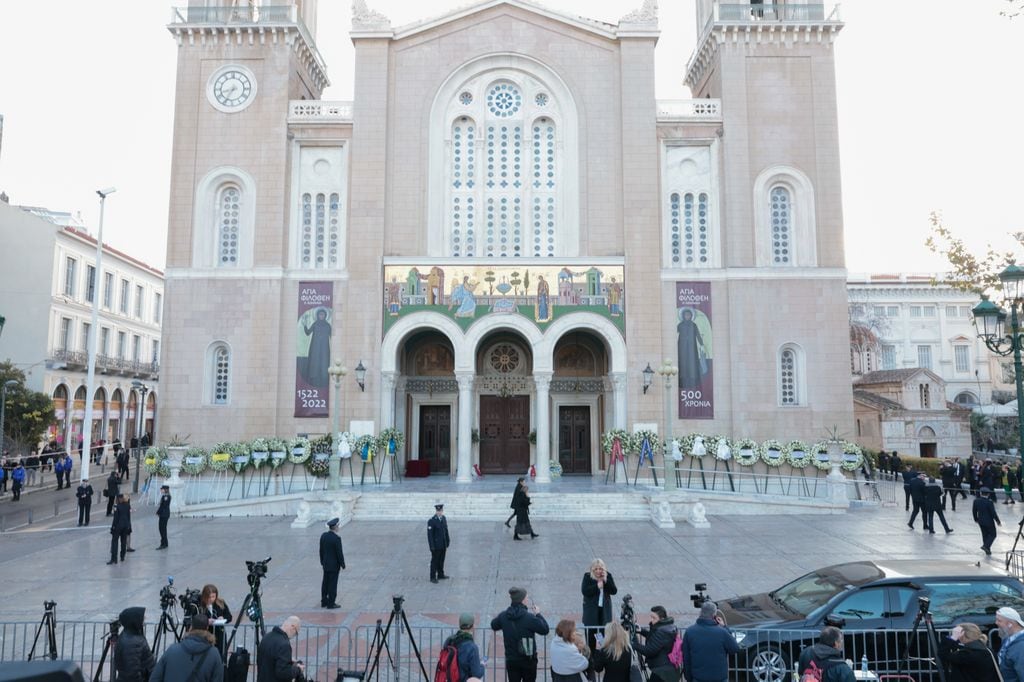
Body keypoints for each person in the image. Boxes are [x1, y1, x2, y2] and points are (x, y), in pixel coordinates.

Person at [491, 587, 549, 682]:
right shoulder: (529, 618)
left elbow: (494, 625)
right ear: (522, 600)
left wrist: (502, 617)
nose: (527, 600)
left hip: (512, 660)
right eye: (526, 598)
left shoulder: (504, 616)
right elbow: (545, 629)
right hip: (528, 660)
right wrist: (538, 614)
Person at [150, 612, 224, 682]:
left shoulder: (172, 649)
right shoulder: (214, 654)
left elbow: (155, 678)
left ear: (191, 627)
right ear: (207, 628)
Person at [681, 601, 738, 682]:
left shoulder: (690, 631)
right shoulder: (722, 632)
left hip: (698, 677)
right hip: (719, 677)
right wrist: (725, 627)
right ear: (714, 615)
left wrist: (688, 677)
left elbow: (686, 657)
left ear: (701, 612)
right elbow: (734, 648)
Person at [633, 606, 680, 682]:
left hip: (662, 671)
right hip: (667, 668)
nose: (651, 620)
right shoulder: (667, 627)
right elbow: (656, 639)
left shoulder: (661, 631)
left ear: (661, 619)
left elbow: (650, 651)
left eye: (653, 618)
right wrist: (642, 631)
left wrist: (634, 644)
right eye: (651, 617)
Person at [581, 559, 618, 652]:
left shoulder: (608, 575)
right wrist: (597, 586)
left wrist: (606, 581)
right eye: (596, 569)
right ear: (592, 569)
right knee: (591, 638)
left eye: (600, 569)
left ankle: (602, 657)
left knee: (603, 638)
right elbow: (585, 591)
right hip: (591, 613)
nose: (598, 571)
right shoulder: (587, 577)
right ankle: (592, 658)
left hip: (604, 612)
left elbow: (614, 591)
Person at [256, 616, 304, 682]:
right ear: (292, 627)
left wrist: (287, 659)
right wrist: (298, 669)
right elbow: (283, 673)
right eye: (296, 633)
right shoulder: (284, 644)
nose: (294, 636)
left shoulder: (266, 637)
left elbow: (268, 658)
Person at [114, 606, 155, 682]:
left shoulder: (132, 635)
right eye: (142, 618)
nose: (145, 619)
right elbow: (132, 673)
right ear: (134, 620)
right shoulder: (132, 643)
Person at [444, 613, 485, 682]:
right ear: (472, 627)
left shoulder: (449, 640)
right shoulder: (472, 647)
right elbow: (477, 674)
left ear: (460, 625)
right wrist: (482, 665)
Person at [200, 584, 233, 661]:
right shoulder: (200, 605)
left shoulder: (220, 602)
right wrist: (206, 621)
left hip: (219, 634)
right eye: (209, 597)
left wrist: (223, 618)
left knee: (220, 656)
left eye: (213, 597)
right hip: (206, 634)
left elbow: (229, 616)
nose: (211, 599)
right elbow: (196, 619)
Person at [319, 517, 346, 608]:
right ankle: (331, 603)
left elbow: (321, 550)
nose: (339, 527)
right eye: (338, 526)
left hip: (326, 564)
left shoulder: (323, 536)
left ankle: (324, 601)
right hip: (334, 566)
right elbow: (339, 553)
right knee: (332, 584)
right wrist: (342, 564)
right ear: (335, 527)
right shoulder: (336, 538)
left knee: (325, 583)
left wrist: (322, 561)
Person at [997, 606, 1024, 682]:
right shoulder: (1008, 639)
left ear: (1010, 624)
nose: (996, 623)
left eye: (999, 620)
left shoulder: (1021, 647)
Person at [973, 487, 1002, 556]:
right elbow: (993, 513)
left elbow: (974, 511)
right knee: (993, 534)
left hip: (981, 521)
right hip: (989, 521)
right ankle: (986, 546)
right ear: (988, 494)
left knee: (985, 535)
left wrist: (976, 519)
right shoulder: (989, 502)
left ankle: (987, 550)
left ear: (981, 493)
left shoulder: (976, 501)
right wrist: (998, 521)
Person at [428, 503, 450, 583]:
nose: (439, 512)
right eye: (438, 511)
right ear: (436, 511)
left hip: (443, 544)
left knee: (441, 560)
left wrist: (447, 540)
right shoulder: (432, 521)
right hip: (436, 546)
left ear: (442, 511)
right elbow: (430, 536)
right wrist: (432, 546)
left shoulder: (443, 518)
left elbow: (446, 531)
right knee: (434, 561)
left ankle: (440, 574)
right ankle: (432, 577)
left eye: (440, 511)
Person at [108, 493, 131, 564]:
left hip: (118, 526)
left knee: (115, 542)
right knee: (123, 541)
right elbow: (128, 516)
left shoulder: (116, 506)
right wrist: (128, 526)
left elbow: (115, 518)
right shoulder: (127, 505)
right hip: (125, 526)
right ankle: (122, 556)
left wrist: (113, 527)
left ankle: (114, 558)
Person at [156, 484, 171, 549]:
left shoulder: (166, 497)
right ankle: (165, 542)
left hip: (164, 514)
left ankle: (163, 543)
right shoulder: (165, 496)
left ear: (166, 490)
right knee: (163, 529)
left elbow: (163, 506)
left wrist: (158, 512)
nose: (161, 490)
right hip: (164, 514)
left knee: (162, 529)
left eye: (162, 489)